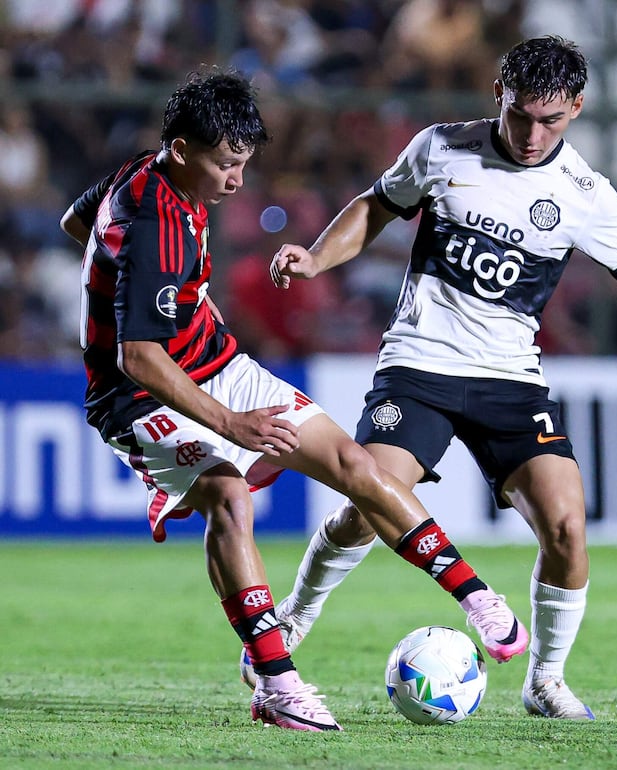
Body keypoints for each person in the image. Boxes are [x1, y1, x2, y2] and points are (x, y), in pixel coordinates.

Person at [262, 36, 617, 721]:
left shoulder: (584, 194)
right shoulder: (441, 147)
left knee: (567, 527)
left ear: (577, 109)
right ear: (499, 96)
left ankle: (545, 681)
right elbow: (376, 206)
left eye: (550, 119)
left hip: (510, 382)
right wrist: (314, 259)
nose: (531, 133)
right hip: (418, 365)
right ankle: (298, 615)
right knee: (372, 499)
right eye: (521, 115)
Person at [59, 69, 527, 733]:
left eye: (245, 163)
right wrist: (229, 424)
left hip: (215, 361)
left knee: (356, 465)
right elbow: (138, 356)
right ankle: (276, 682)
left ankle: (476, 596)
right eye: (226, 165)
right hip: (135, 394)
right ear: (185, 151)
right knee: (228, 494)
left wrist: (154, 286)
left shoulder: (144, 171)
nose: (237, 182)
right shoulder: (157, 218)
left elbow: (77, 221)